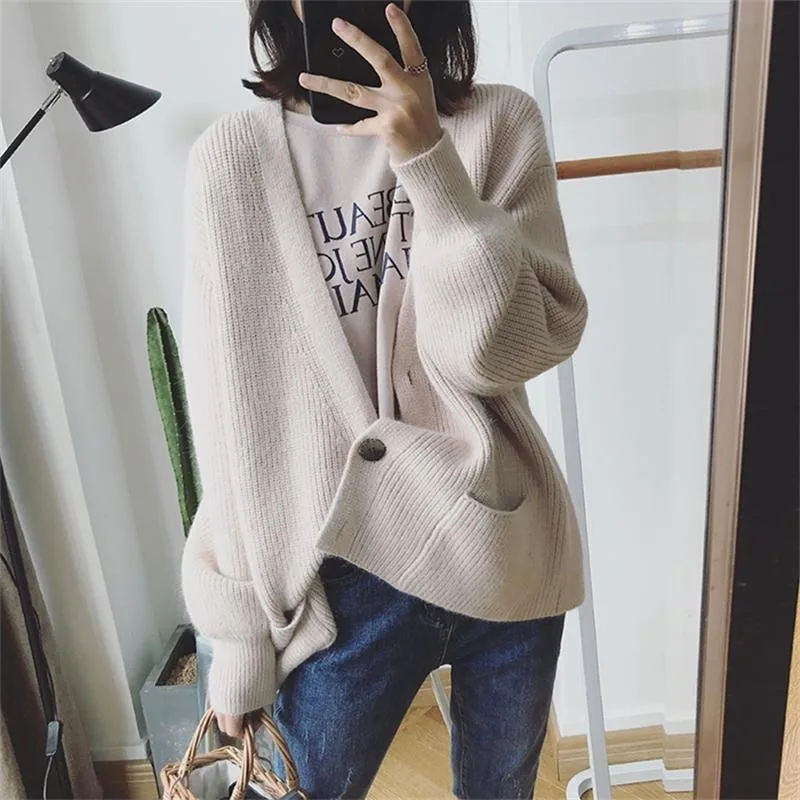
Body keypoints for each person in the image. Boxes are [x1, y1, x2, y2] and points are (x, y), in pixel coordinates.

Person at [179, 1, 588, 797]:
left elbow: (504, 354)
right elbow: (232, 420)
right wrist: (240, 633)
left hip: (498, 534)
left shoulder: (499, 125)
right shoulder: (232, 161)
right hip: (334, 583)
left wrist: (431, 162)